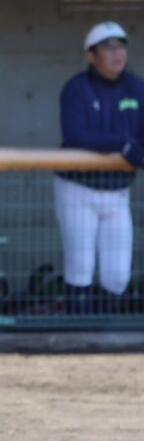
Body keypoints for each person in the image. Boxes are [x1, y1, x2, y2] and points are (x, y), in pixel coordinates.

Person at [56, 21, 144, 314]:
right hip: (77, 189)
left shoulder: (136, 87)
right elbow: (75, 135)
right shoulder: (76, 88)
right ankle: (76, 331)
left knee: (117, 275)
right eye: (108, 48)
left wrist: (134, 147)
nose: (117, 53)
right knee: (80, 266)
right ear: (91, 56)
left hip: (118, 191)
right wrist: (123, 144)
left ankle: (105, 332)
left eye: (121, 46)